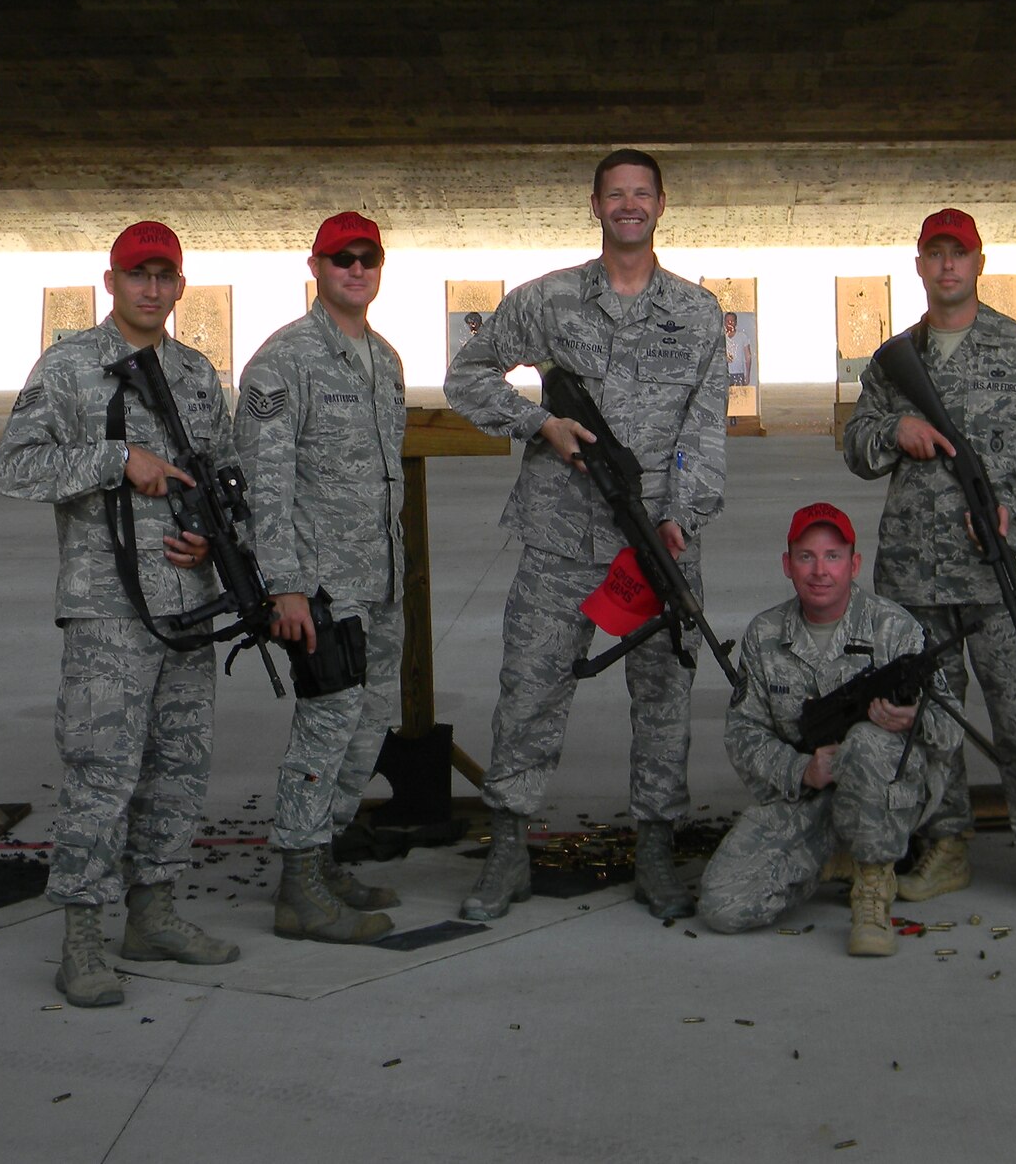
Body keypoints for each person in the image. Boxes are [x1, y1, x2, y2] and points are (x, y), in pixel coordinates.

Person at [444, 148, 728, 921]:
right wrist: (539, 423)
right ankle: (508, 849)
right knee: (530, 691)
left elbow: (705, 430)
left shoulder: (696, 313)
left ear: (661, 204)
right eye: (616, 195)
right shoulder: (548, 301)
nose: (629, 206)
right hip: (560, 538)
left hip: (656, 544)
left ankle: (658, 850)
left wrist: (682, 516)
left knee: (665, 698)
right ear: (595, 205)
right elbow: (467, 376)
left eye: (642, 194)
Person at [0, 220, 240, 1009]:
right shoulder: (69, 367)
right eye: (138, 274)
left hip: (190, 605)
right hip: (108, 609)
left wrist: (211, 537)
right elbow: (17, 467)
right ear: (112, 282)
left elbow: (226, 476)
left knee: (178, 765)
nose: (151, 288)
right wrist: (113, 461)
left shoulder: (200, 375)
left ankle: (155, 911)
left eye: (165, 275)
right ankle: (83, 938)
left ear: (179, 286)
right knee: (103, 771)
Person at [842, 208, 1016, 914]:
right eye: (935, 254)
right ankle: (946, 844)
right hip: (916, 574)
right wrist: (896, 428)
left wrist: (1013, 499)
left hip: (1002, 572)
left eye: (961, 254)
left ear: (980, 263)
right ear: (919, 264)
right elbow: (857, 448)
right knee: (930, 716)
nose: (948, 266)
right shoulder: (896, 361)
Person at [234, 211, 407, 944]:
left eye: (367, 258)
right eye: (342, 259)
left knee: (365, 732)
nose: (356, 270)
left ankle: (327, 851)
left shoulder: (386, 360)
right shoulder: (285, 361)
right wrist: (286, 584)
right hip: (323, 588)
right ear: (316, 267)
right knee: (324, 730)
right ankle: (299, 884)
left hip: (380, 583)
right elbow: (264, 483)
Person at [700, 504, 963, 956]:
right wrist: (803, 769)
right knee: (722, 905)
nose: (820, 570)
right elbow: (743, 734)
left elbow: (952, 727)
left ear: (854, 564)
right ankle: (827, 858)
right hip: (809, 798)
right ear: (787, 564)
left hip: (888, 799)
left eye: (833, 556)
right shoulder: (765, 635)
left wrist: (912, 718)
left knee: (865, 741)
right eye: (806, 557)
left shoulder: (895, 629)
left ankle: (873, 889)